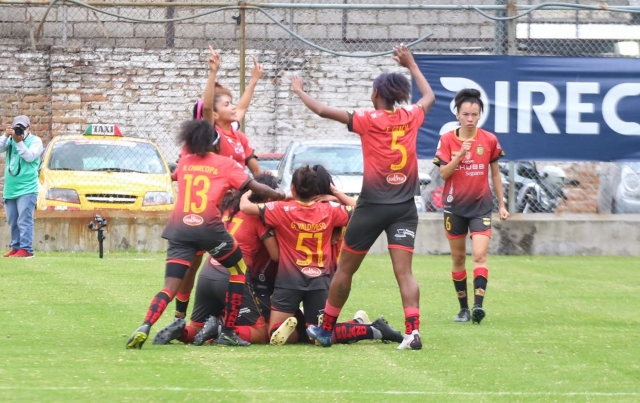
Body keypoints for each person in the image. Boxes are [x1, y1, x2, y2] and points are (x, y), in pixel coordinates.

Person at [293, 44, 436, 350]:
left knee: (345, 268)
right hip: (404, 208)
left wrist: (299, 91)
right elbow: (430, 97)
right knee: (405, 272)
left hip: (372, 206)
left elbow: (320, 110)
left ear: (376, 94)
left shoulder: (367, 119)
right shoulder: (411, 116)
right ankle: (413, 332)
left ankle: (327, 329)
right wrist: (411, 64)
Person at [125, 119, 284, 349]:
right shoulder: (226, 164)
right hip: (209, 229)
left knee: (170, 286)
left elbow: (176, 175)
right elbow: (256, 188)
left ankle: (147, 325)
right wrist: (278, 195)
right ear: (217, 144)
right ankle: (228, 330)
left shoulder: (186, 162)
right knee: (238, 270)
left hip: (179, 229)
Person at [168, 46, 265, 328]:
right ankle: (180, 316)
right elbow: (208, 107)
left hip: (235, 204)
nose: (235, 108)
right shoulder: (214, 133)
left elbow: (242, 107)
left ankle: (231, 314)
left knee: (238, 257)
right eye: (228, 105)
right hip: (211, 206)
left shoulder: (235, 132)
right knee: (194, 261)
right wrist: (213, 73)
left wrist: (255, 80)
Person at [153, 173, 280, 346]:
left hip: (207, 273)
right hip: (232, 276)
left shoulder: (227, 209)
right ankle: (220, 328)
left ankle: (181, 332)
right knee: (262, 332)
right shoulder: (259, 216)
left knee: (196, 328)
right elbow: (276, 256)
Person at [432, 88, 509, 325]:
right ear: (457, 114)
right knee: (457, 259)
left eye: (474, 114)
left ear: (479, 115)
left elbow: (495, 174)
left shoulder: (489, 140)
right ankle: (463, 308)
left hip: (481, 206)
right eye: (466, 114)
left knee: (479, 254)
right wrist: (459, 155)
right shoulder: (447, 140)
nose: (470, 119)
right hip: (454, 208)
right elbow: (444, 173)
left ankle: (478, 306)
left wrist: (502, 204)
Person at [1, 115, 43, 258]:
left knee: (24, 220)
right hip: (10, 188)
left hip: (27, 188)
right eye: (17, 127)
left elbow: (30, 157)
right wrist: (5, 136)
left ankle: (26, 249)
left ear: (28, 128)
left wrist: (19, 142)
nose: (20, 130)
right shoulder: (10, 140)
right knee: (13, 220)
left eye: (22, 128)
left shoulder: (36, 141)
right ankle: (16, 247)